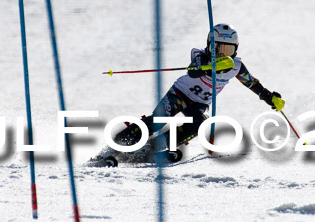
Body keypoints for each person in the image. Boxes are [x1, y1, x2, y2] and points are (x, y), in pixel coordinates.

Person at [111, 23, 284, 161]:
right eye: (217, 49)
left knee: (199, 125)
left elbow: (252, 83)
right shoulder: (199, 55)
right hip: (178, 95)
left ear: (236, 49)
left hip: (199, 103)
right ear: (209, 45)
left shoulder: (236, 66)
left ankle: (155, 147)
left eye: (228, 50)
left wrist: (269, 97)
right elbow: (193, 71)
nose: (222, 54)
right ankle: (121, 142)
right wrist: (209, 68)